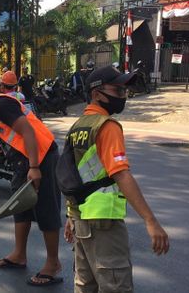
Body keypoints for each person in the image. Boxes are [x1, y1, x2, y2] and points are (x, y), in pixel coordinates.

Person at [63, 66, 169, 292]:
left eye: (124, 91)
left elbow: (70, 175)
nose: (123, 96)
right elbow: (120, 173)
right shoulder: (107, 127)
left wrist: (70, 216)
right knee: (115, 287)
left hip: (81, 222)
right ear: (96, 93)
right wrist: (151, 221)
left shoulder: (77, 127)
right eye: (118, 90)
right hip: (104, 224)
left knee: (85, 286)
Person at [0, 80, 63, 287]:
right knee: (20, 206)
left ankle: (53, 263)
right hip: (23, 160)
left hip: (41, 158)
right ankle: (18, 255)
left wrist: (34, 168)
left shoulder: (1, 105)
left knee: (46, 208)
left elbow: (28, 132)